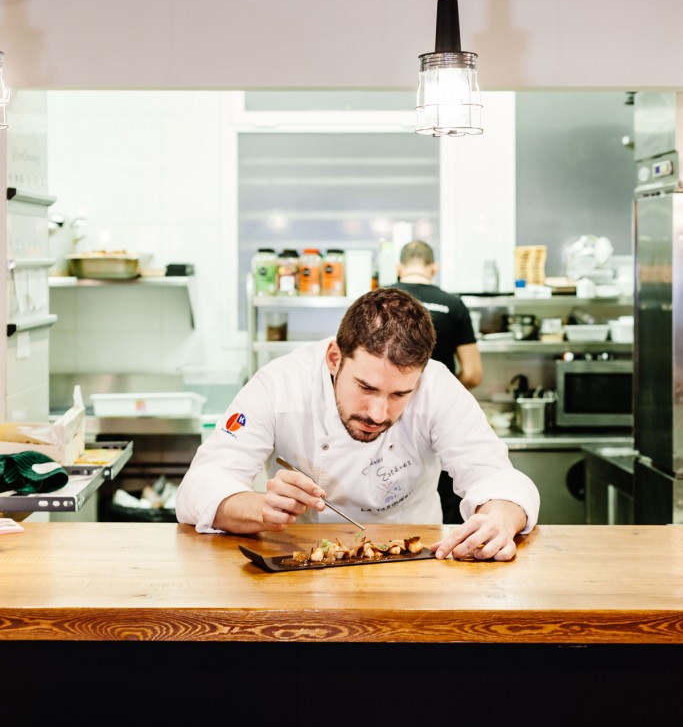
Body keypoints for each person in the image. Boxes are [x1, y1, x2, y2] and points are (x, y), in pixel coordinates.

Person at [175, 287, 539, 561]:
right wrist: (259, 509)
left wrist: (501, 518)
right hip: (303, 570)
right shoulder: (279, 384)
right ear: (334, 358)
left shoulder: (438, 386)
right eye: (366, 387)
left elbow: (495, 476)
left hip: (412, 567)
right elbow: (199, 487)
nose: (379, 413)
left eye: (399, 394)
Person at [393, 239, 483, 523]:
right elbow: (473, 373)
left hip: (386, 419)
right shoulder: (453, 304)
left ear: (399, 269)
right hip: (440, 419)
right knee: (444, 498)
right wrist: (441, 392)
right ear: (434, 268)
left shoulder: (380, 300)